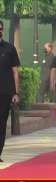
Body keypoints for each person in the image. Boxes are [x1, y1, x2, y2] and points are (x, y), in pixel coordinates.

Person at [0, 20, 20, 162]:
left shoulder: (9, 49)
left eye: (0, 28)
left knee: (1, 123)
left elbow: (15, 72)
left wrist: (16, 93)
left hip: (5, 92)